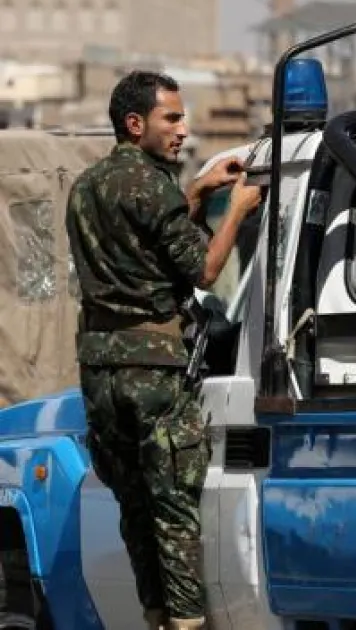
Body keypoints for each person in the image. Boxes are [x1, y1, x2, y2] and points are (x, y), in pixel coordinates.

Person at [67, 70, 263, 630]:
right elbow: (201, 267)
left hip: (100, 369)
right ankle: (184, 624)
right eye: (171, 118)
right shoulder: (152, 185)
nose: (183, 129)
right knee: (174, 509)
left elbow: (146, 251)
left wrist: (198, 191)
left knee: (135, 509)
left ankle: (154, 617)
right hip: (152, 369)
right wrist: (239, 211)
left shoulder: (87, 185)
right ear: (136, 124)